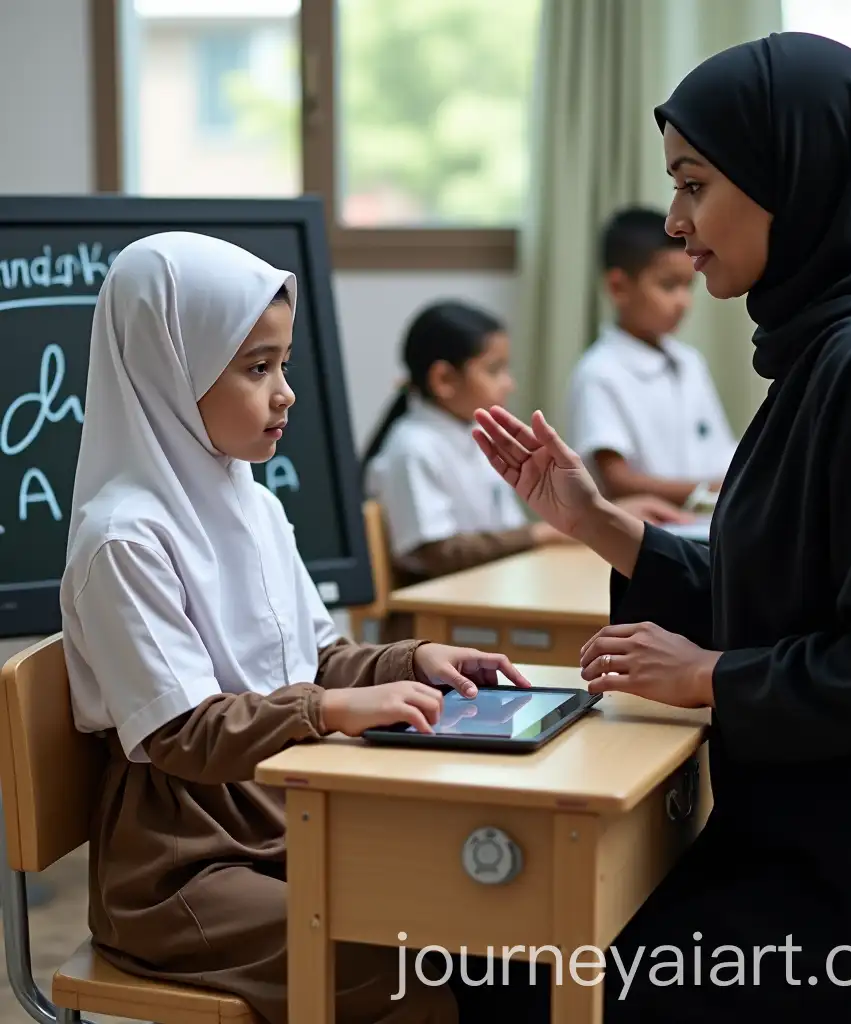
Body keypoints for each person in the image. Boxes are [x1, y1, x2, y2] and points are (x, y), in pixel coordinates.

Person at [471, 32, 851, 1022]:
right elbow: (793, 581)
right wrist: (602, 525)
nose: (677, 224)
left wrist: (706, 675)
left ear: (791, 174)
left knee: (513, 980)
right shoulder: (841, 346)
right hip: (846, 854)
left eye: (694, 184)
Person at [60, 231, 535, 1024]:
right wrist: (325, 709)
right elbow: (184, 733)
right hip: (186, 866)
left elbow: (317, 655)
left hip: (287, 816)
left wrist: (415, 660)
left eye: (282, 364)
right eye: (256, 368)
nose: (284, 393)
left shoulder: (256, 504)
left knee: (476, 919)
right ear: (168, 373)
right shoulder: (124, 539)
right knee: (405, 959)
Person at [363, 300, 685, 588]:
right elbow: (435, 554)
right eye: (494, 370)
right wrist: (549, 532)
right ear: (444, 380)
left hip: (487, 588)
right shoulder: (412, 448)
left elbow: (504, 530)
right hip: (436, 615)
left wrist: (595, 518)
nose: (509, 383)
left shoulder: (471, 433)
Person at [566, 206, 736, 506]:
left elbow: (722, 454)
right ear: (618, 287)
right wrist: (711, 488)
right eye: (668, 286)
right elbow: (617, 481)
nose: (683, 302)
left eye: (688, 286)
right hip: (645, 532)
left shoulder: (690, 362)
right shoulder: (600, 372)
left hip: (702, 523)